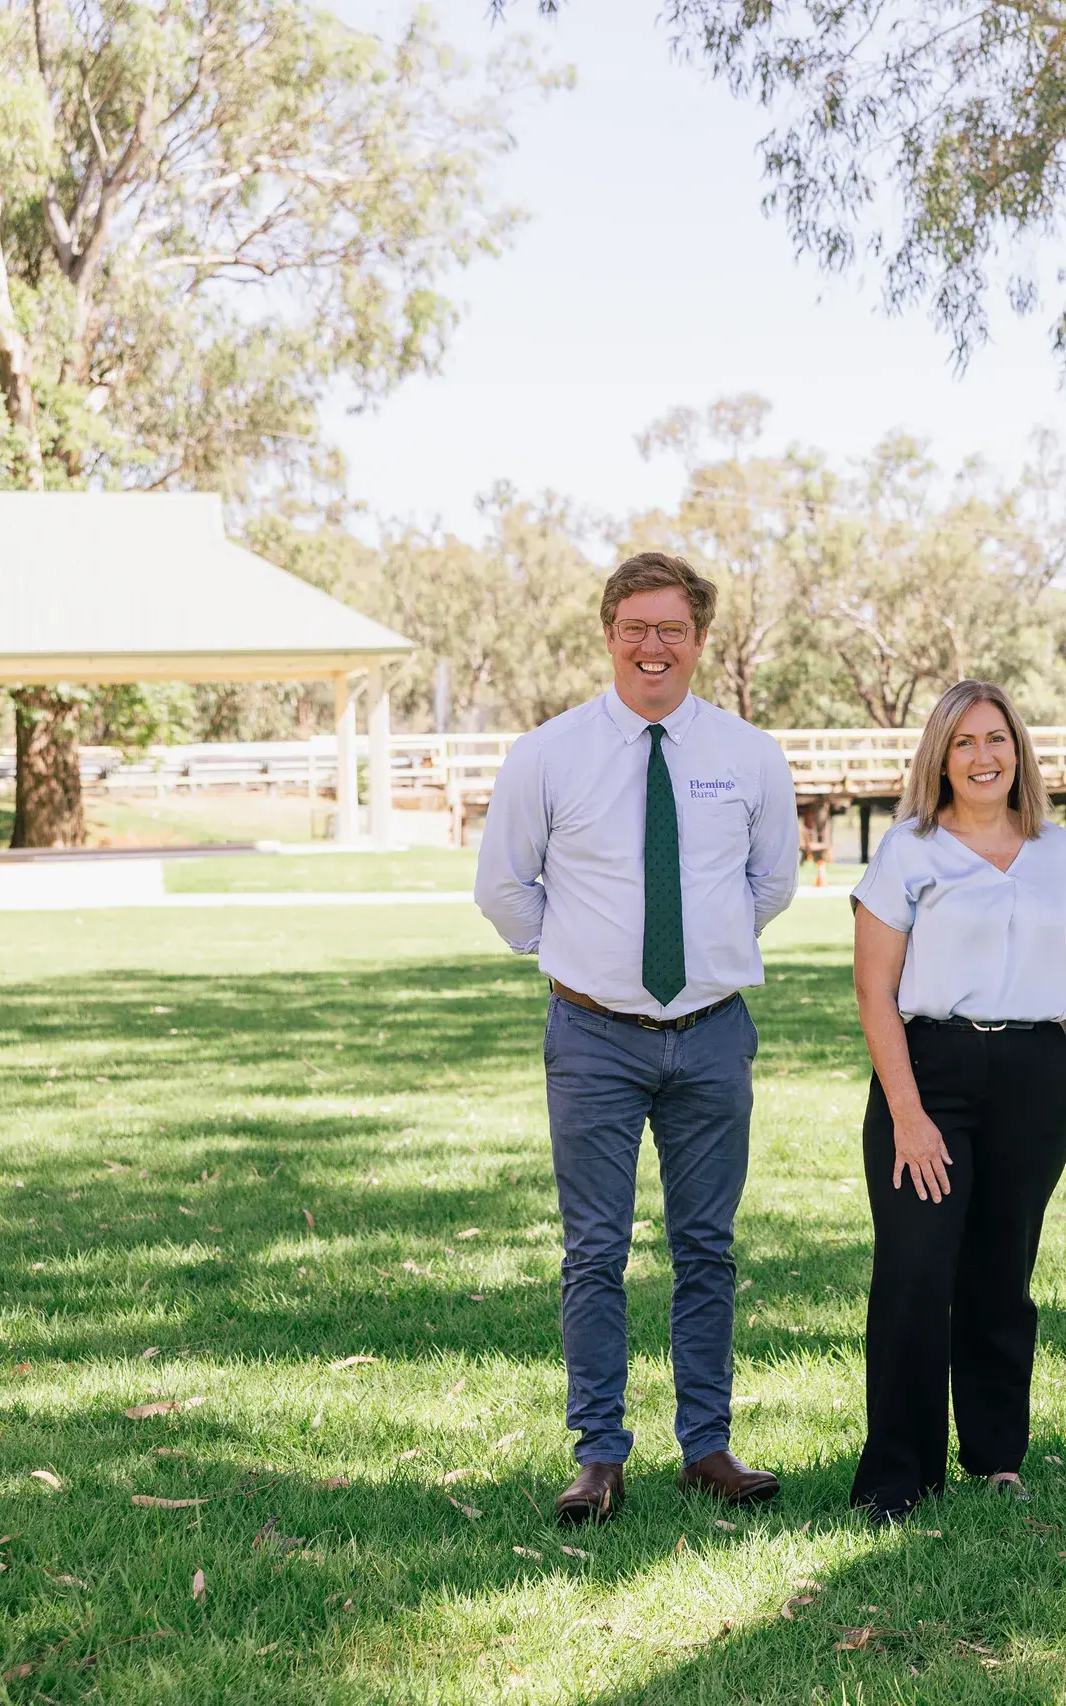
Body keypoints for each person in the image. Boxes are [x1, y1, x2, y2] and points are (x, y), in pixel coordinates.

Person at [474, 551, 801, 1525]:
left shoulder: (750, 756)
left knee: (707, 1245)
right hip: (592, 1037)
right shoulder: (547, 754)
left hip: (709, 1035)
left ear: (700, 640)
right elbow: (503, 887)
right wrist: (581, 958)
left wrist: (698, 962)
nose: (652, 645)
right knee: (594, 1249)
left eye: (671, 629)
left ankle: (707, 1444)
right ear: (608, 634)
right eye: (634, 627)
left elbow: (770, 885)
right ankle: (598, 1453)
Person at [848, 680, 1066, 1526]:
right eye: (964, 743)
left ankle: (996, 1456)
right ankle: (897, 1476)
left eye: (997, 739)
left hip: (1034, 1072)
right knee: (917, 1270)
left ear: (1018, 750)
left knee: (1003, 1270)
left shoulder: (1057, 852)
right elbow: (875, 992)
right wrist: (909, 1114)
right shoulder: (910, 850)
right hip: (932, 1069)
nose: (984, 756)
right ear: (940, 757)